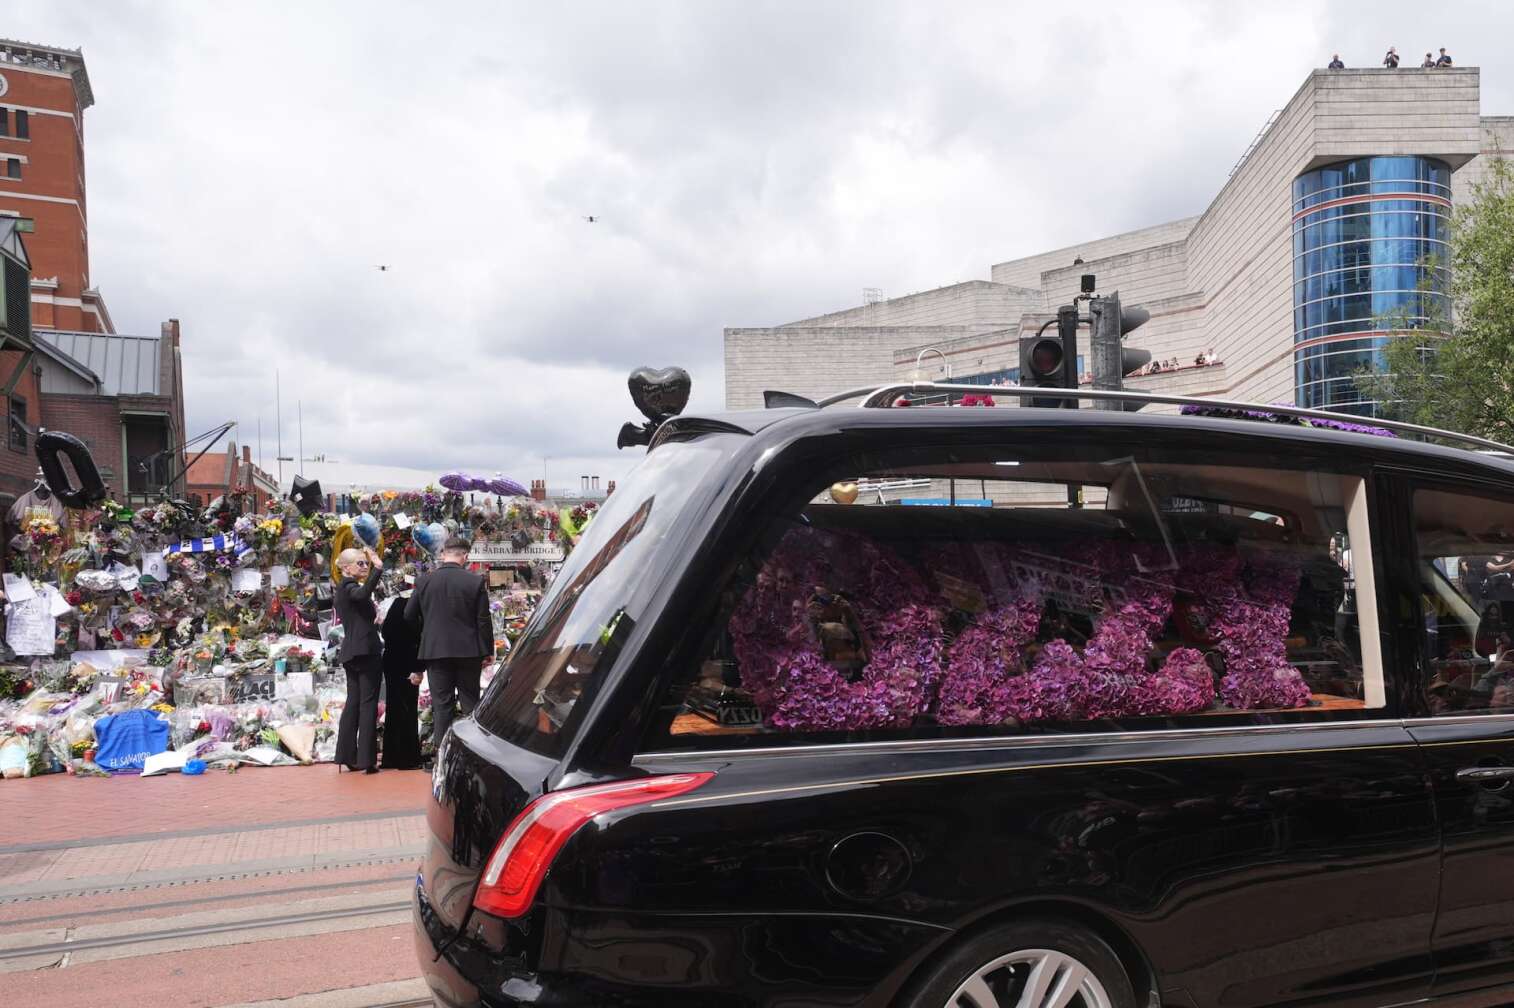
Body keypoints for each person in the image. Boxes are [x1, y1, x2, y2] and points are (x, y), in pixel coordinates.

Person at [406, 537, 493, 748]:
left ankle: (441, 753)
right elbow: (483, 620)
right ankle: (472, 751)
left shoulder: (424, 581)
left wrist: (427, 631)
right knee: (470, 703)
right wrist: (487, 651)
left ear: (443, 554)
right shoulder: (475, 581)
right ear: (465, 556)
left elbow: (409, 615)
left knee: (441, 705)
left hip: (435, 650)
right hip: (468, 650)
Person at [333, 545, 384, 773]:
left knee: (354, 702)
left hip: (353, 651)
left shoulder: (344, 588)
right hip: (364, 652)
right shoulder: (349, 587)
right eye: (360, 563)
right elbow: (362, 594)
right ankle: (366, 759)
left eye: (366, 563)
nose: (365, 566)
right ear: (346, 567)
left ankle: (347, 755)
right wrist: (378, 568)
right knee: (367, 703)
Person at [379, 584, 423, 770]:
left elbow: (385, 632)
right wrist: (419, 667)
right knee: (408, 709)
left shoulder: (396, 605)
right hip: (408, 661)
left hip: (391, 661)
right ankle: (407, 758)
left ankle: (390, 757)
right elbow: (419, 638)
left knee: (394, 708)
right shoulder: (416, 610)